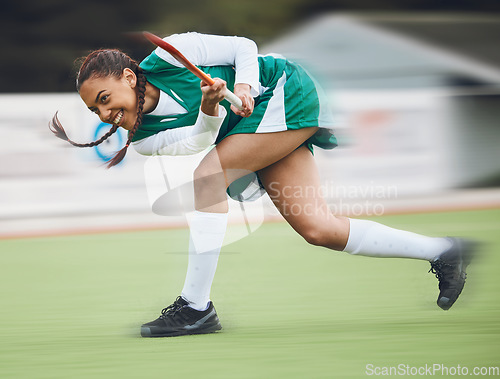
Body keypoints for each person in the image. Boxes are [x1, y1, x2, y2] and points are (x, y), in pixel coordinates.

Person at [49, 32, 475, 338]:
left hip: (282, 90)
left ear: (127, 76)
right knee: (318, 229)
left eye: (105, 99)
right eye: (94, 109)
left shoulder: (173, 55)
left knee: (207, 179)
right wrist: (210, 107)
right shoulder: (142, 140)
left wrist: (242, 86)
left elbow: (243, 48)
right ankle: (443, 251)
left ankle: (196, 308)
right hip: (248, 125)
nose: (105, 115)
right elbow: (199, 139)